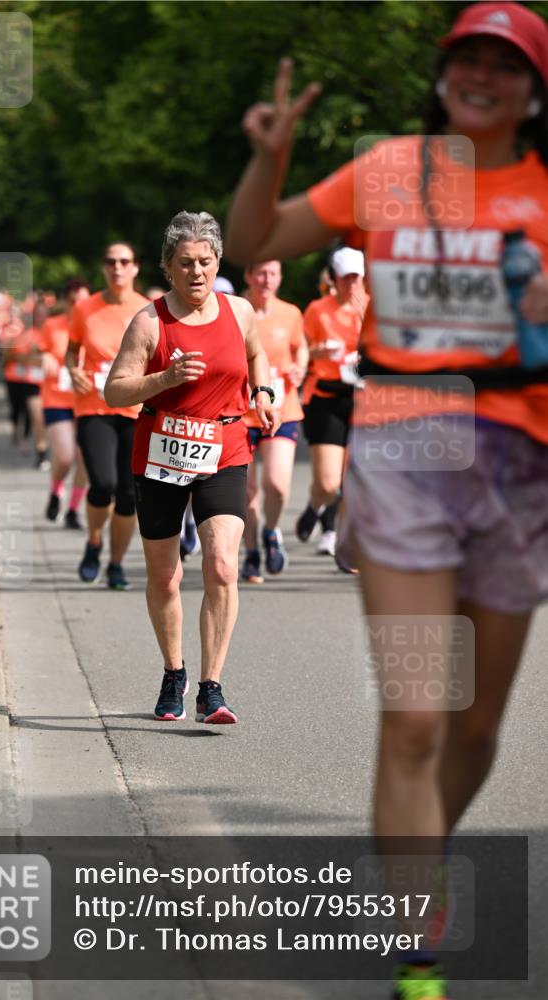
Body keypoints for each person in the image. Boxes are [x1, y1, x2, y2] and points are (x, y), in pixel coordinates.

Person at [226, 3, 548, 997]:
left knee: (475, 728)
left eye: (505, 63)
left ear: (534, 92)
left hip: (521, 464)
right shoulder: (394, 171)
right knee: (415, 718)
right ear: (443, 74)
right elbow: (253, 237)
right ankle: (418, 958)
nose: (482, 75)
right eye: (467, 58)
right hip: (405, 443)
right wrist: (270, 160)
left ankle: (419, 848)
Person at [105, 210, 279, 724]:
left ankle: (211, 688)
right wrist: (165, 377)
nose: (197, 271)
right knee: (165, 578)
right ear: (168, 267)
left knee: (223, 564)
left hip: (224, 448)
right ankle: (173, 672)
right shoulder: (149, 322)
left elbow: (257, 354)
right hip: (160, 451)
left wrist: (263, 392)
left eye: (205, 261)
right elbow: (115, 391)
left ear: (218, 262)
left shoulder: (239, 311)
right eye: (185, 263)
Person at [65, 243, 148, 589]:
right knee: (103, 483)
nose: (117, 267)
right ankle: (94, 540)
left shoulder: (148, 310)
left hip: (135, 409)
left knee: (128, 494)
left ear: (135, 267)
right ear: (103, 267)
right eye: (111, 261)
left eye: (124, 261)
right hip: (94, 406)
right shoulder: (85, 308)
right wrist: (73, 371)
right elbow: (72, 350)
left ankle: (115, 564)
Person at [296, 247, 368, 557]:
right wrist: (317, 352)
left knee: (354, 480)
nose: (351, 285)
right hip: (325, 397)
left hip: (363, 398)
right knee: (328, 484)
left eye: (356, 278)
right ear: (334, 279)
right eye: (345, 278)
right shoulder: (317, 310)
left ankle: (342, 542)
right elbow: (298, 351)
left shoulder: (372, 309)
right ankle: (316, 505)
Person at [241, 259, 308, 583]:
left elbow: (301, 347)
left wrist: (300, 368)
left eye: (272, 274)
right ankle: (251, 552)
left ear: (280, 278)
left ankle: (270, 531)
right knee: (247, 492)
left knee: (277, 486)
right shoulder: (236, 310)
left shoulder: (291, 313)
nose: (266, 280)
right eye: (260, 273)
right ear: (249, 275)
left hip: (282, 408)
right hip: (241, 413)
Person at [38, 278, 91, 529]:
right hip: (56, 399)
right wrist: (45, 356)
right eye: (73, 302)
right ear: (65, 302)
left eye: (84, 302)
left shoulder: (95, 326)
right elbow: (33, 351)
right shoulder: (52, 325)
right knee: (66, 456)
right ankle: (56, 490)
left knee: (85, 457)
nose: (78, 306)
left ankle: (72, 510)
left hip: (87, 400)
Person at [0, 308, 50, 467]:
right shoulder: (19, 332)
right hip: (14, 378)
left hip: (35, 381)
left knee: (34, 414)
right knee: (17, 408)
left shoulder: (49, 332)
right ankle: (17, 431)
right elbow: (7, 354)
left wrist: (31, 357)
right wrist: (23, 356)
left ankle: (33, 444)